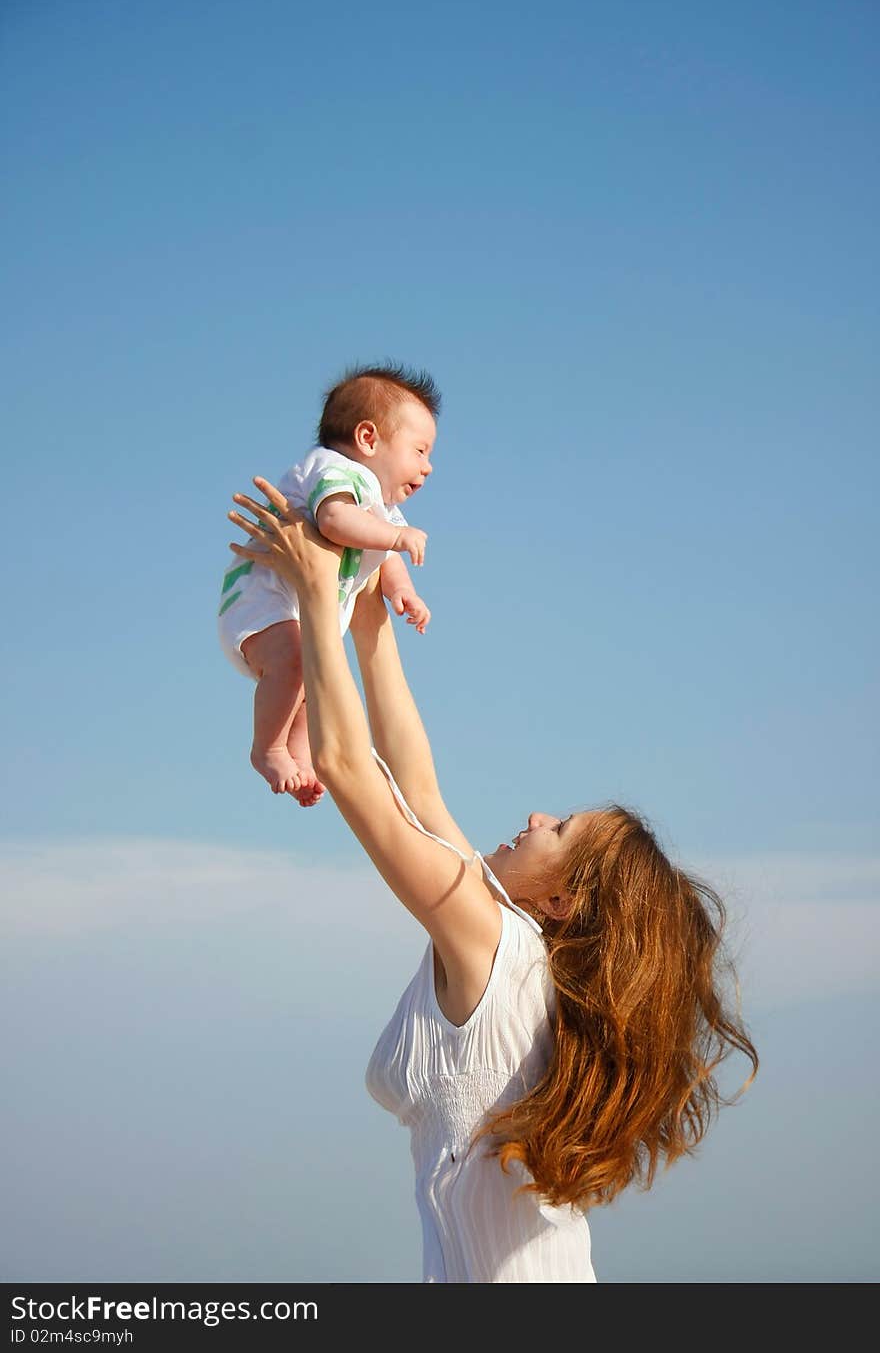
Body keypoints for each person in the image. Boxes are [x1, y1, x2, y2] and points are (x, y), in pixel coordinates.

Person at [226, 480, 759, 1284]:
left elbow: (346, 766)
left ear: (561, 902)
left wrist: (309, 587)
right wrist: (364, 595)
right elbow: (417, 782)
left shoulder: (497, 947)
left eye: (561, 831)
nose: (538, 815)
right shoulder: (513, 957)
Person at [218, 362, 437, 807]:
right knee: (297, 665)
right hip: (263, 602)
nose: (428, 467)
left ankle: (299, 757)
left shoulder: (377, 501)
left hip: (300, 612)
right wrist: (396, 537)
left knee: (315, 682)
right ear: (367, 438)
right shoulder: (335, 470)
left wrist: (402, 592)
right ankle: (268, 749)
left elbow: (384, 555)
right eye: (419, 451)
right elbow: (336, 520)